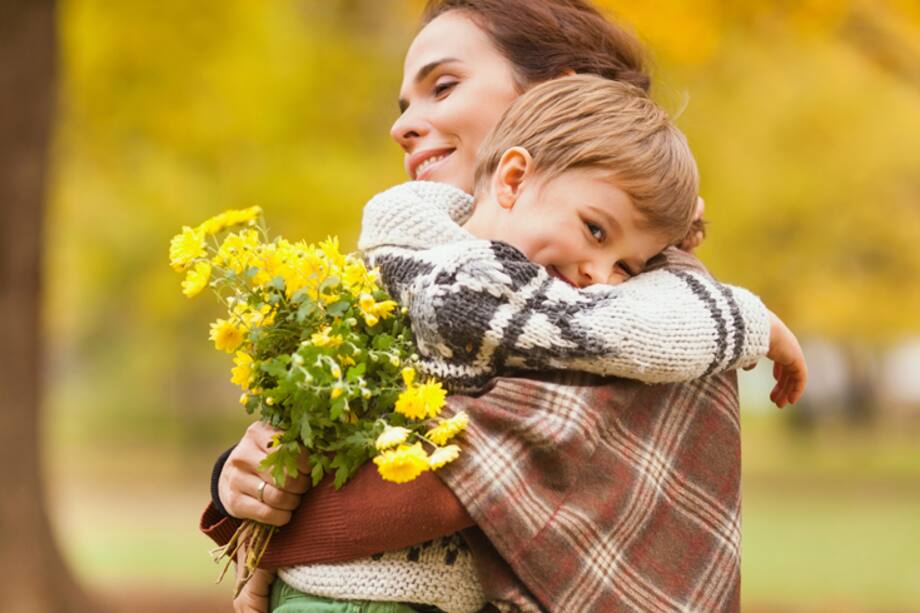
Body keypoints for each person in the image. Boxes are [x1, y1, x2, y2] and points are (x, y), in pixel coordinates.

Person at [203, 1, 806, 611]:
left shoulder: (644, 308)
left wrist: (281, 525)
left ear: (558, 95)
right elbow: (360, 432)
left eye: (444, 85)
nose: (403, 126)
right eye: (404, 104)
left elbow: (415, 499)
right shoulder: (442, 257)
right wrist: (246, 475)